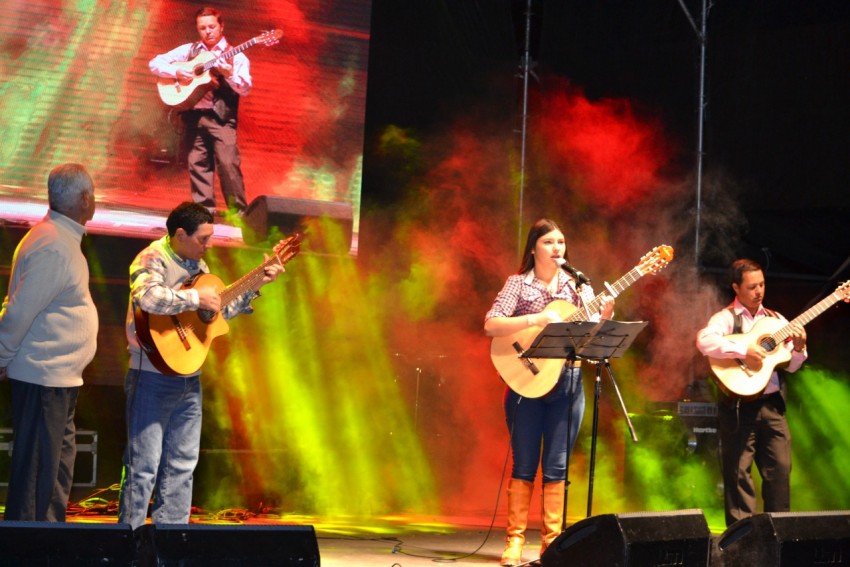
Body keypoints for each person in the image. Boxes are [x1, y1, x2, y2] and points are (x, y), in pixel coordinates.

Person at [118, 202, 284, 530]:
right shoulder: (152, 257)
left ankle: (172, 540)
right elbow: (147, 297)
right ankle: (128, 542)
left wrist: (258, 282)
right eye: (203, 239)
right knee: (143, 467)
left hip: (189, 378)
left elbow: (219, 313)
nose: (208, 245)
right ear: (180, 234)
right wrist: (196, 299)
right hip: (150, 376)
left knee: (182, 466)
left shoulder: (199, 266)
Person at [484, 218, 614, 566]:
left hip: (567, 383)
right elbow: (491, 324)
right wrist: (535, 319)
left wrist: (604, 315)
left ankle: (552, 544)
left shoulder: (579, 287)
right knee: (525, 463)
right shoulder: (518, 284)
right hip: (525, 383)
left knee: (557, 466)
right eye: (549, 242)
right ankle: (514, 541)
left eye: (561, 242)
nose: (557, 248)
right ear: (533, 249)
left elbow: (591, 340)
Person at [0, 163, 98, 521]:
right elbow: (18, 312)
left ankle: (49, 539)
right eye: (93, 194)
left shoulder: (57, 239)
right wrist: (1, 357)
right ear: (84, 199)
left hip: (56, 379)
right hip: (44, 379)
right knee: (38, 476)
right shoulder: (54, 246)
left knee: (52, 472)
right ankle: (31, 545)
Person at [696, 258, 807, 526]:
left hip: (772, 406)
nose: (759, 292)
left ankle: (777, 535)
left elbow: (792, 365)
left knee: (780, 472)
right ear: (736, 288)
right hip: (738, 407)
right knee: (738, 476)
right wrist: (744, 350)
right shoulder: (725, 318)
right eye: (752, 287)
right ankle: (741, 541)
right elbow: (704, 341)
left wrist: (799, 348)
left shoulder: (776, 320)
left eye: (762, 285)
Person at [149, 7, 252, 216]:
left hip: (221, 119)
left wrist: (229, 74)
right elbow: (154, 63)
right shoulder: (189, 50)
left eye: (212, 26)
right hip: (193, 118)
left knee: (229, 165)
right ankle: (204, 215)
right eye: (202, 28)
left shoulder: (236, 56)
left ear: (221, 26)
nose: (208, 31)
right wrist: (176, 71)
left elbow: (245, 88)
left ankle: (239, 216)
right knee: (198, 165)